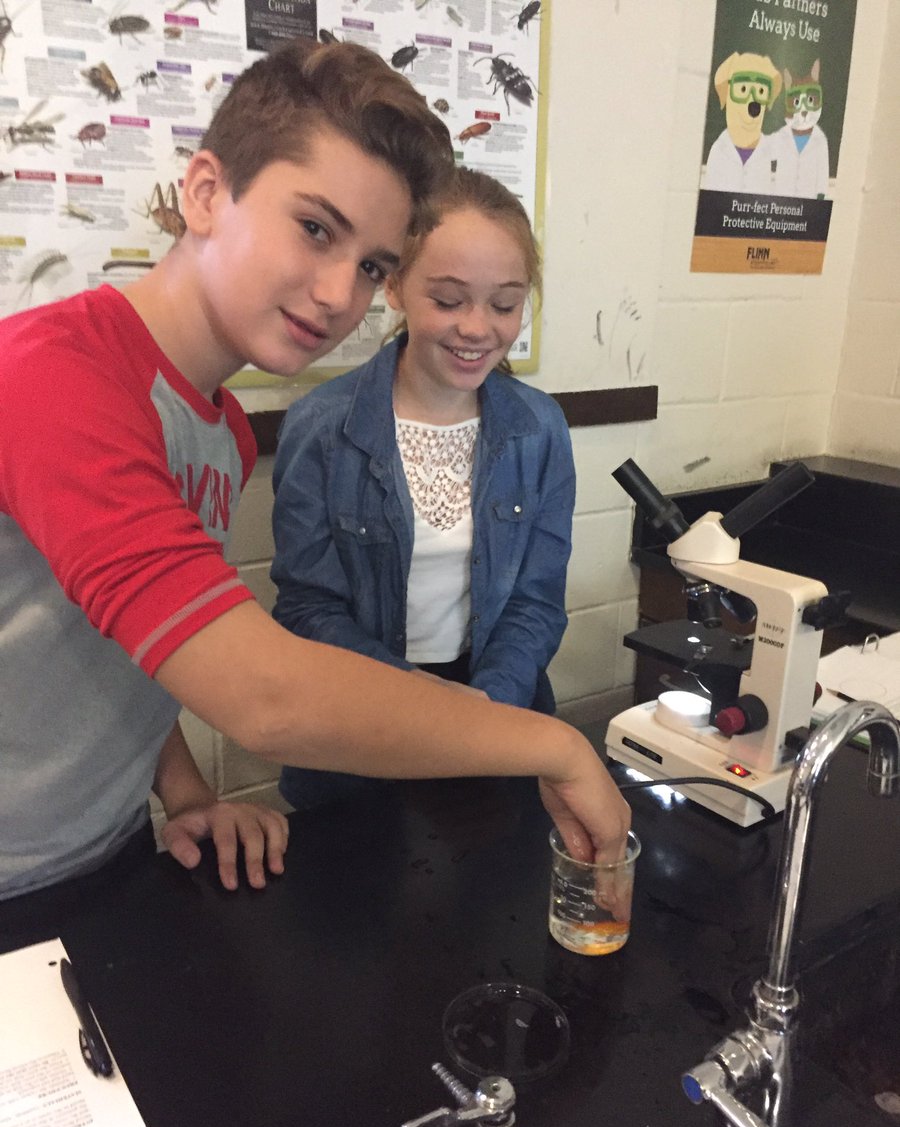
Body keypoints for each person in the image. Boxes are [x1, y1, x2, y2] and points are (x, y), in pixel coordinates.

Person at [0, 38, 629, 905]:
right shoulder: (50, 375)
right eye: (315, 229)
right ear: (208, 192)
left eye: (369, 264)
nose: (340, 295)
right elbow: (266, 696)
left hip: (106, 846)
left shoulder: (215, 425)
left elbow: (123, 646)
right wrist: (555, 745)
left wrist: (184, 793)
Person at [270, 167, 574, 808]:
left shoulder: (538, 428)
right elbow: (308, 609)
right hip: (358, 729)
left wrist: (485, 708)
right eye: (448, 298)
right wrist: (427, 706)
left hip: (497, 715)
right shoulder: (323, 427)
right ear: (397, 288)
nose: (477, 328)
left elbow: (537, 602)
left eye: (504, 303)